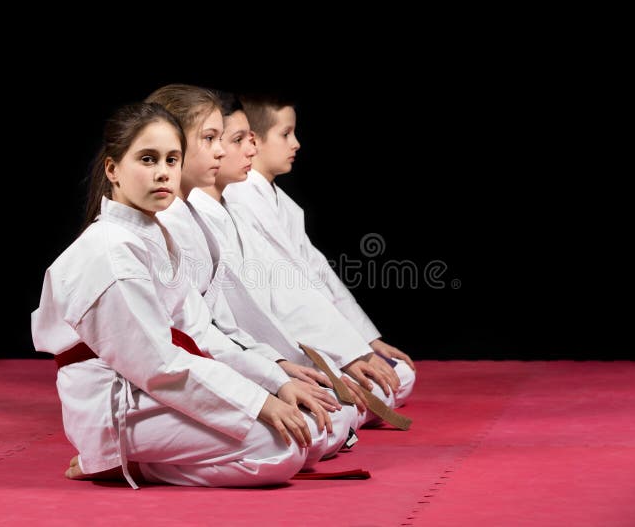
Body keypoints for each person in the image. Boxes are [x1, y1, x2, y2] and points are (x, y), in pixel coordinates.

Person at [31, 102, 317, 490]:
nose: (163, 172)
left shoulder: (153, 236)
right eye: (148, 159)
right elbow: (158, 366)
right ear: (113, 169)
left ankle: (140, 459)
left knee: (310, 432)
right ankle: (121, 461)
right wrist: (256, 402)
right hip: (118, 405)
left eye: (172, 159)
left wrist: (273, 381)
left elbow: (199, 331)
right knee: (281, 450)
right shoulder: (109, 252)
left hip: (152, 389)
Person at [143, 84, 355, 457]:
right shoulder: (152, 229)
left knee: (331, 418)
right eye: (211, 139)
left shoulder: (193, 218)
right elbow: (185, 343)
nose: (223, 150)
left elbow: (221, 321)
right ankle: (130, 459)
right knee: (297, 440)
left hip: (214, 362)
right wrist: (266, 387)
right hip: (158, 386)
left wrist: (277, 368)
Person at [187, 90, 411, 428]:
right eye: (284, 133)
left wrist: (359, 344)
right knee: (330, 417)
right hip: (227, 362)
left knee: (379, 386)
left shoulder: (238, 207)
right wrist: (281, 368)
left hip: (268, 349)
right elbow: (227, 321)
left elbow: (309, 281)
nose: (295, 144)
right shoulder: (215, 208)